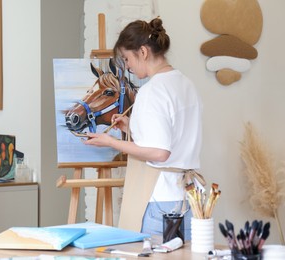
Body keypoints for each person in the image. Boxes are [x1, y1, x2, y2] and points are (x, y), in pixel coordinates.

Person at [82, 17, 203, 240]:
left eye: (127, 58)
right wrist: (131, 126)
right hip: (189, 197)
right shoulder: (186, 84)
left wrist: (111, 141)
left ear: (143, 52)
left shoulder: (152, 90)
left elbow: (160, 152)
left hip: (159, 199)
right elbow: (173, 137)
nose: (127, 66)